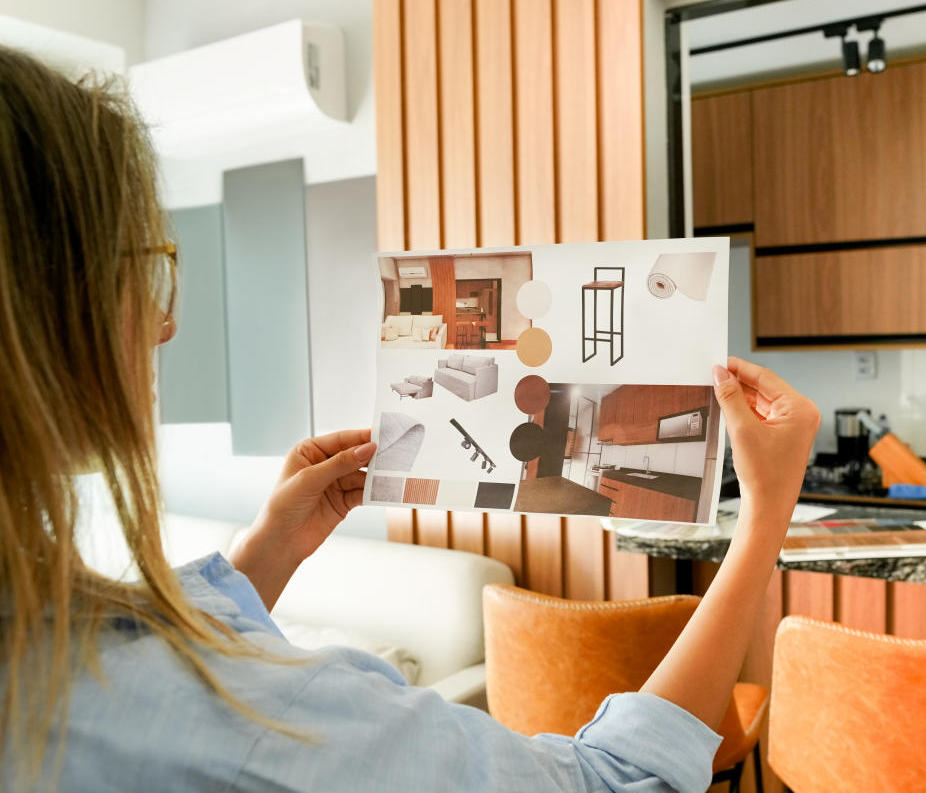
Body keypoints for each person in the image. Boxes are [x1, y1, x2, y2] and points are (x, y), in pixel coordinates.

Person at [0, 45, 821, 792]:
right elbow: (611, 783)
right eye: (138, 266)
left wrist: (267, 551)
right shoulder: (257, 719)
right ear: (40, 308)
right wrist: (764, 516)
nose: (164, 322)